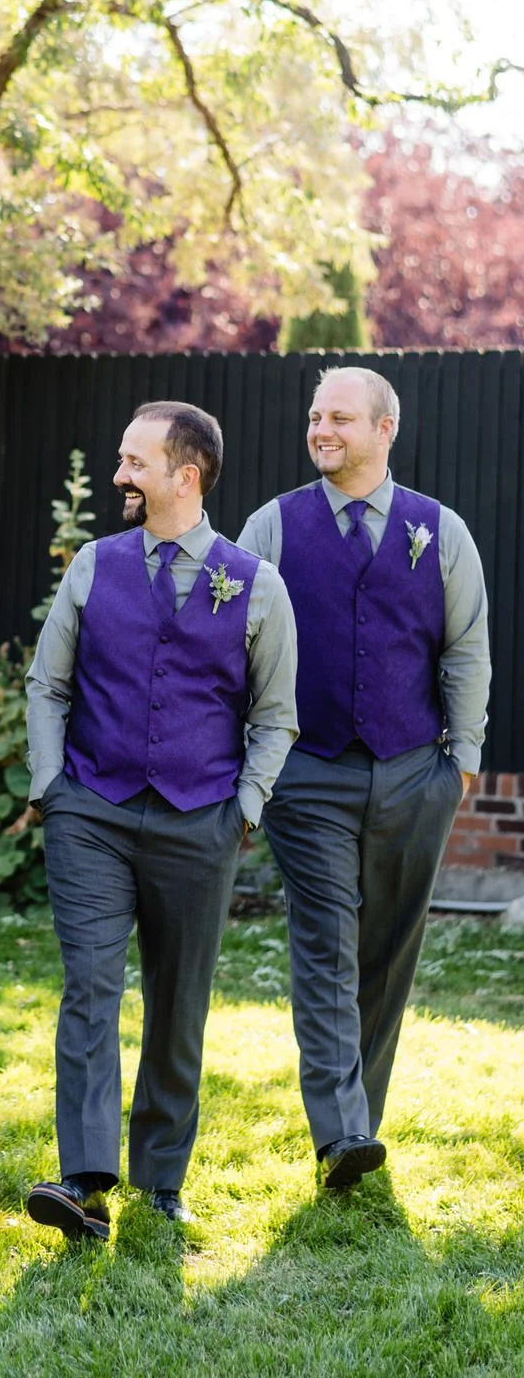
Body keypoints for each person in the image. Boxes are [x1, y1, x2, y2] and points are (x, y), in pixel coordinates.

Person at [25, 400, 297, 1240]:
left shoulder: (255, 585)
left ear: (186, 476)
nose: (118, 476)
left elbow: (276, 716)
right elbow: (48, 685)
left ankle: (162, 1176)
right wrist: (51, 788)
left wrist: (241, 809)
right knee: (91, 990)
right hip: (91, 815)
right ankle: (83, 1179)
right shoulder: (93, 567)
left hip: (198, 822)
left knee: (179, 1002)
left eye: (134, 463)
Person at [238, 365, 490, 1189]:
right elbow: (231, 649)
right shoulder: (270, 528)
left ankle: (359, 1130)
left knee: (387, 949)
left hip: (414, 772)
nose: (321, 431)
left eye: (340, 419)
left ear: (384, 429)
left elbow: (463, 650)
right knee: (326, 945)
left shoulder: (439, 531)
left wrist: (461, 760)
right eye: (315, 417)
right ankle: (339, 1131)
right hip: (307, 775)